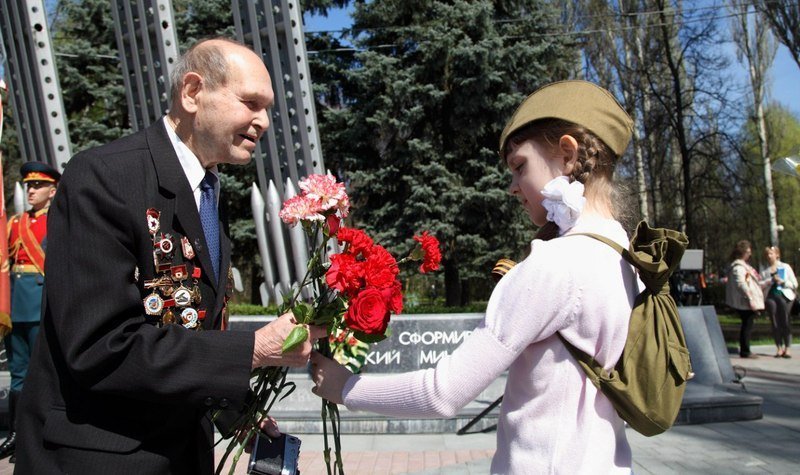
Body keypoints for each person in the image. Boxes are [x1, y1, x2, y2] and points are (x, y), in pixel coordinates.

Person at [15, 38, 326, 474]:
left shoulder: (206, 190)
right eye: (251, 103)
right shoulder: (105, 177)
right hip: (101, 459)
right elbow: (101, 347)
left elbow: (185, 323)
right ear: (192, 92)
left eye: (268, 108)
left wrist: (231, 412)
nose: (263, 122)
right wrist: (254, 349)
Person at [311, 80, 642, 473]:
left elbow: (444, 393)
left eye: (520, 166)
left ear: (567, 155)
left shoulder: (555, 265)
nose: (512, 187)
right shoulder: (624, 253)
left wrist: (345, 387)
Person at [0, 162, 60, 463]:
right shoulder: (13, 224)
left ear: (53, 191)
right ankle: (16, 434)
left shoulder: (58, 221)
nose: (31, 190)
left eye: (38, 186)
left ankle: (37, 435)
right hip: (17, 307)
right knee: (19, 374)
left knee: (41, 375)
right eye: (28, 186)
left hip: (42, 305)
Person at [725, 240, 765, 358]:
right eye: (748, 251)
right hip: (745, 302)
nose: (750, 254)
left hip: (746, 301)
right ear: (743, 252)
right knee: (747, 326)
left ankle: (746, 349)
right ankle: (745, 350)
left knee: (748, 325)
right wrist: (750, 299)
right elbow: (741, 284)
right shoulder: (738, 267)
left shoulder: (743, 266)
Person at [760, 246, 796, 358]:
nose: (769, 256)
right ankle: (779, 347)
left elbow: (794, 283)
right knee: (775, 322)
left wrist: (783, 282)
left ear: (777, 254)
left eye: (771, 253)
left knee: (785, 320)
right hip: (771, 297)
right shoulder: (765, 270)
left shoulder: (785, 267)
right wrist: (771, 280)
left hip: (785, 296)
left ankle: (788, 347)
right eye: (767, 254)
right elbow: (760, 284)